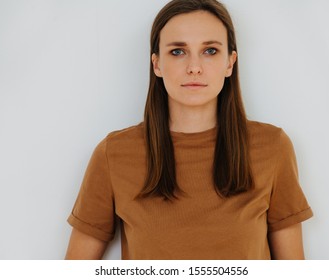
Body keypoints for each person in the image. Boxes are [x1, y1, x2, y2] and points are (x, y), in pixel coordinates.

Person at [65, 0, 313, 260]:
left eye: (210, 51)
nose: (194, 67)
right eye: (178, 52)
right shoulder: (113, 154)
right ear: (156, 64)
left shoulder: (273, 148)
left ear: (230, 63)